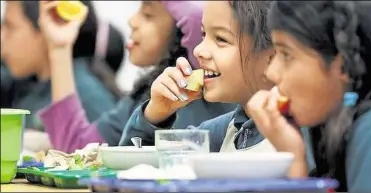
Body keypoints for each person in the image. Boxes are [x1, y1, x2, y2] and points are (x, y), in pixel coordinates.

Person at [247, 1, 371, 192]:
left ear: (345, 64)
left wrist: (294, 163)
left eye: (286, 54)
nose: (271, 72)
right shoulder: (337, 125)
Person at [38, 1, 237, 153]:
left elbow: (198, 16)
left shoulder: (214, 85)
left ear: (182, 27)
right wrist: (59, 49)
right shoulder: (145, 97)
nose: (131, 21)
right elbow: (77, 148)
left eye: (148, 15)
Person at [119, 1, 278, 153]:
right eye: (203, 35)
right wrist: (155, 114)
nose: (198, 51)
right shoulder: (219, 133)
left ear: (273, 56)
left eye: (221, 39)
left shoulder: (300, 131)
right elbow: (134, 168)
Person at [0, 1, 123, 153]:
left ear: (45, 28)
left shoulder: (86, 95)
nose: (2, 39)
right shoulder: (24, 84)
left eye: (10, 27)